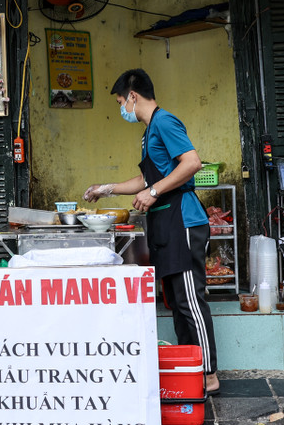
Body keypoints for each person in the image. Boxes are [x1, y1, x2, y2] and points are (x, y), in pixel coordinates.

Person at [84, 69, 219, 394]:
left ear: (132, 95)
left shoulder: (165, 122)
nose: (121, 109)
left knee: (190, 299)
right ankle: (191, 367)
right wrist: (107, 189)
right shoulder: (148, 133)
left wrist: (155, 192)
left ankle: (209, 374)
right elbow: (145, 180)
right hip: (164, 224)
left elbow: (192, 163)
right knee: (174, 300)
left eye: (120, 101)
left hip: (183, 221)